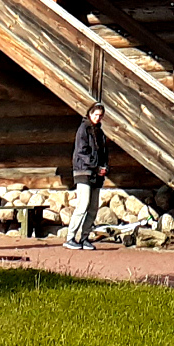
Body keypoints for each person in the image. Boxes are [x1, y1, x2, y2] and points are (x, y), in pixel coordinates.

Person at [63, 103, 109, 250]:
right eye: (95, 114)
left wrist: (104, 167)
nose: (98, 117)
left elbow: (104, 153)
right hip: (83, 172)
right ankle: (70, 238)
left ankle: (84, 238)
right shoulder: (83, 130)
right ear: (90, 114)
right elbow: (82, 153)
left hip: (97, 174)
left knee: (93, 207)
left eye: (100, 115)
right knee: (83, 205)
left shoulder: (100, 133)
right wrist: (95, 166)